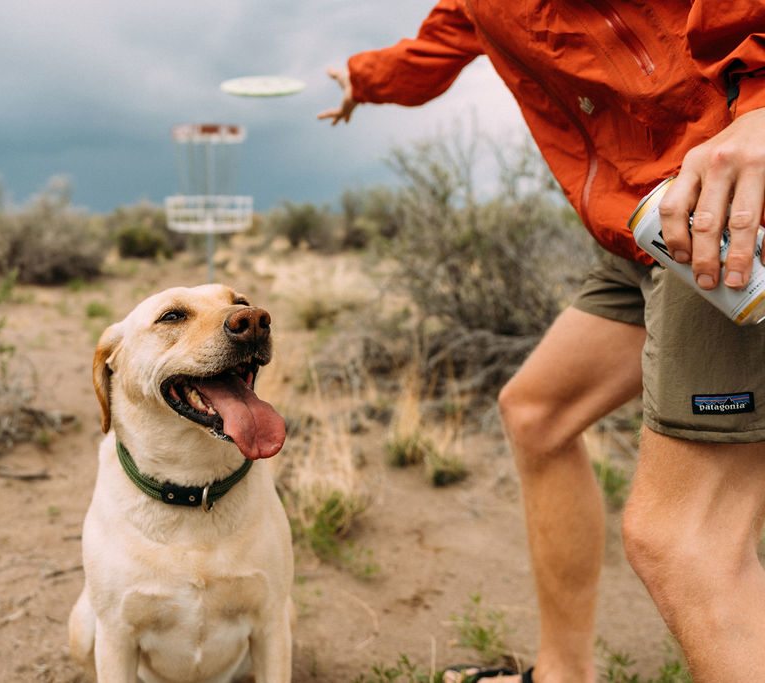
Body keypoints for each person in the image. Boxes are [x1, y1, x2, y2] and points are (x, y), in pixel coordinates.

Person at [319, 2, 765, 682]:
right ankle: (564, 674)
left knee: (686, 542)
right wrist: (362, 78)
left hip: (716, 206)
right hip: (638, 228)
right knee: (538, 413)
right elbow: (432, 51)